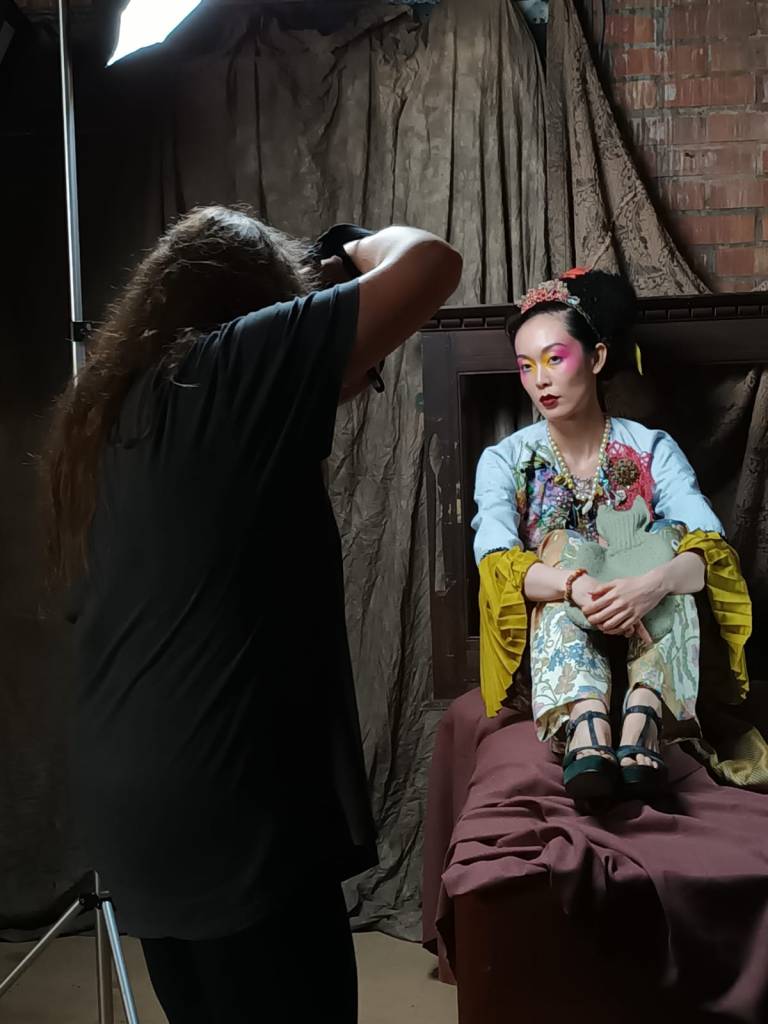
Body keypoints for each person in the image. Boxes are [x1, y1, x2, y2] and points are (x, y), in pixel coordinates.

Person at [45, 206, 462, 1024]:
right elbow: (430, 263)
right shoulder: (227, 368)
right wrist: (347, 251)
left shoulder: (122, 410)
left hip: (136, 806)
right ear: (264, 307)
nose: (360, 376)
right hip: (225, 802)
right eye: (365, 362)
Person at [471, 268, 752, 802]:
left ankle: (644, 716)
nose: (540, 380)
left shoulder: (650, 448)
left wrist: (649, 586)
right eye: (527, 366)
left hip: (651, 633)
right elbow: (496, 561)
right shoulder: (505, 460)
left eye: (555, 359)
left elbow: (710, 550)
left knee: (671, 546)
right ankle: (587, 722)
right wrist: (574, 585)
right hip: (558, 647)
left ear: (596, 358)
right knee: (557, 556)